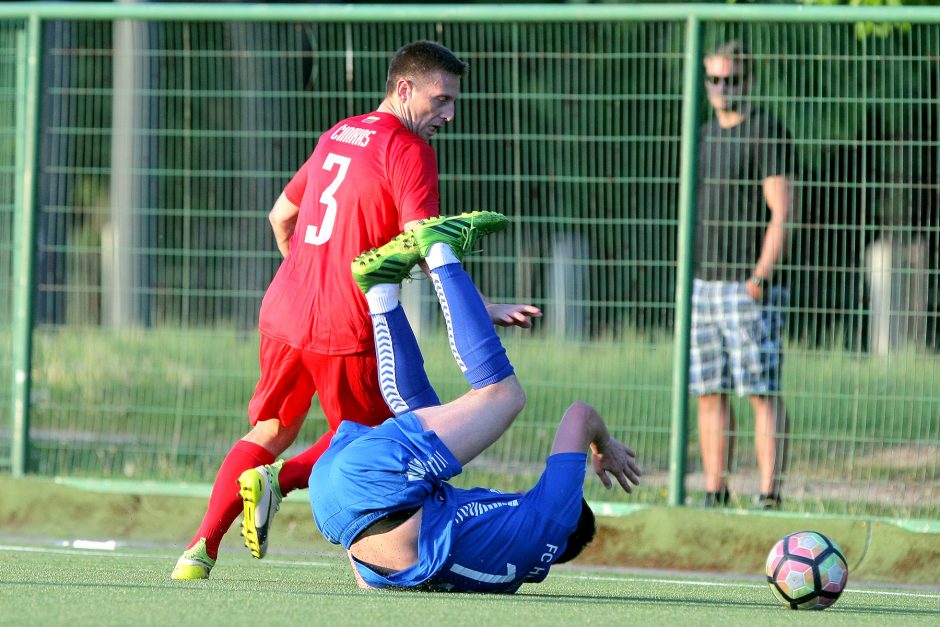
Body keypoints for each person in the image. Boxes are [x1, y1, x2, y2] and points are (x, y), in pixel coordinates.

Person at [172, 41, 541, 579]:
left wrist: (311, 272)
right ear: (404, 89)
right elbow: (427, 243)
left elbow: (280, 217)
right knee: (373, 434)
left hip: (284, 307)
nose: (450, 115)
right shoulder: (410, 151)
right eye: (441, 100)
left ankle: (199, 550)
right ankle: (278, 481)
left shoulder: (338, 133)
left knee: (271, 428)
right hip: (344, 322)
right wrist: (482, 306)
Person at [306, 212, 642, 592]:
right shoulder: (507, 573)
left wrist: (604, 445)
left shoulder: (557, 519)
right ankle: (381, 291)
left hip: (373, 486)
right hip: (335, 510)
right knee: (425, 424)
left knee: (505, 397)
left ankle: (439, 249)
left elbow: (580, 415)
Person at [691, 40, 793, 510]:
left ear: (747, 81)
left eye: (730, 79)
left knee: (760, 390)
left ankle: (769, 493)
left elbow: (783, 211)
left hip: (749, 286)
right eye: (713, 79)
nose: (721, 88)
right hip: (703, 285)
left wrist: (761, 277)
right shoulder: (705, 134)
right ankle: (715, 491)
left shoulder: (767, 131)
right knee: (709, 391)